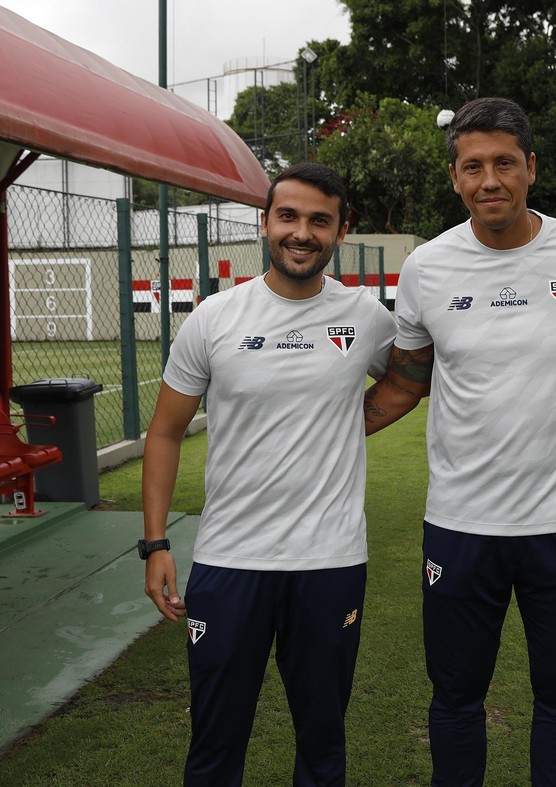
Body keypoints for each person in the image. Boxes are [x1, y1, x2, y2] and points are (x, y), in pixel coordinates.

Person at [363, 97, 556, 786]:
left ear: (531, 168)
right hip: (460, 525)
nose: (490, 180)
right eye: (473, 167)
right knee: (455, 696)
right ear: (455, 178)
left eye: (505, 163)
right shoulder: (427, 268)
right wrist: (316, 429)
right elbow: (404, 380)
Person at [141, 162, 396, 786]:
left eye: (319, 221)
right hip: (231, 561)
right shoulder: (214, 317)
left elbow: (409, 383)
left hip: (329, 563)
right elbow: (165, 432)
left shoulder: (367, 317)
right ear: (265, 223)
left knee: (322, 741)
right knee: (215, 741)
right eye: (289, 217)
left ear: (339, 232)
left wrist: (344, 421)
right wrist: (155, 544)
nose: (301, 233)